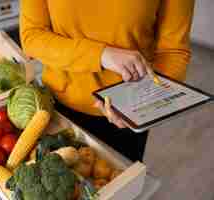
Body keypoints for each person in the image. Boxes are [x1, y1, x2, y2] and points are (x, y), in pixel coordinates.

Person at [19, 0, 195, 162]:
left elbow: (173, 52)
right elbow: (32, 36)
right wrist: (101, 55)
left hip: (127, 116)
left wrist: (147, 103)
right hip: (55, 109)